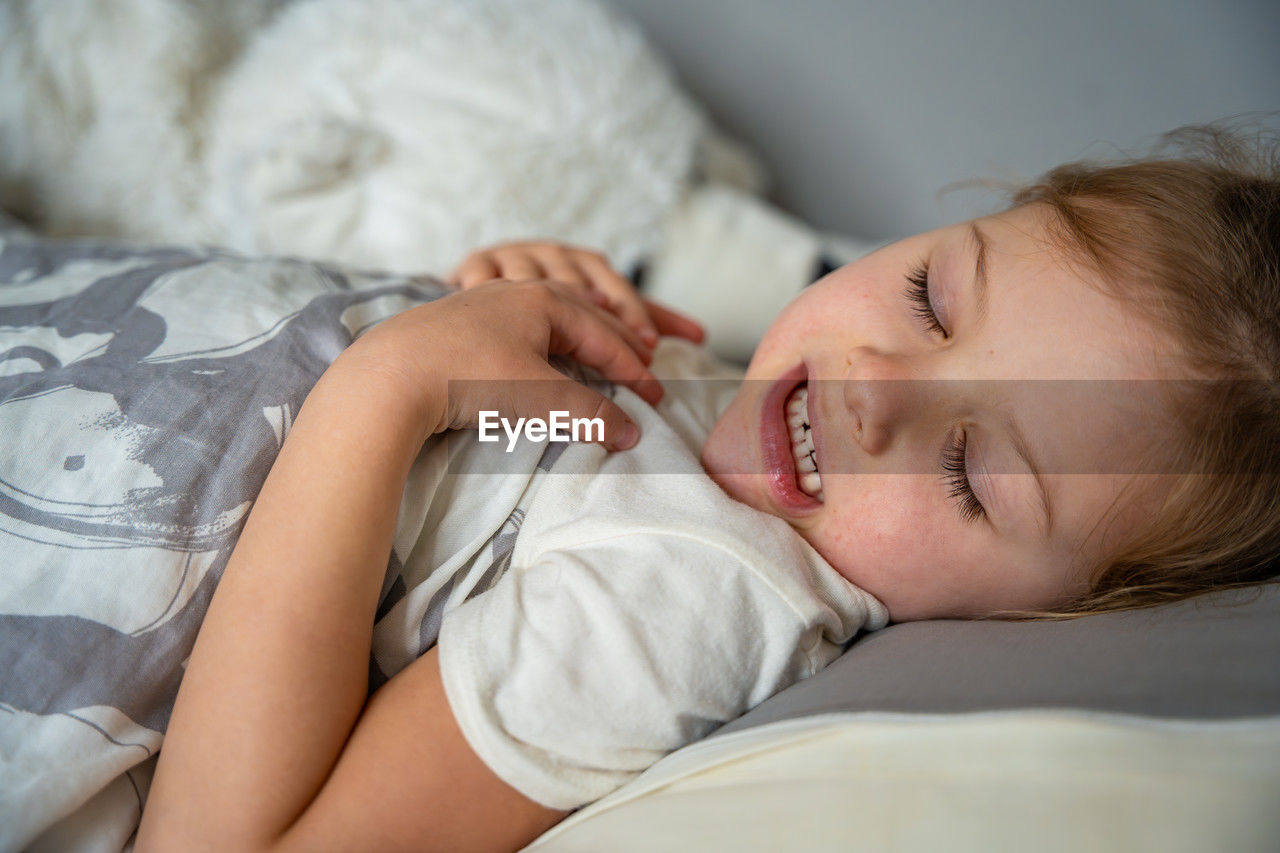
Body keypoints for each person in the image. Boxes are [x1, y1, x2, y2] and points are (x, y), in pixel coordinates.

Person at [136, 124, 1280, 850]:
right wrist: (492, 306)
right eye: (930, 296)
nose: (874, 387)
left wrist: (383, 387)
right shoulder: (709, 394)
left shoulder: (687, 601)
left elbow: (221, 842)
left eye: (967, 473)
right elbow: (473, 471)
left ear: (1051, 616)